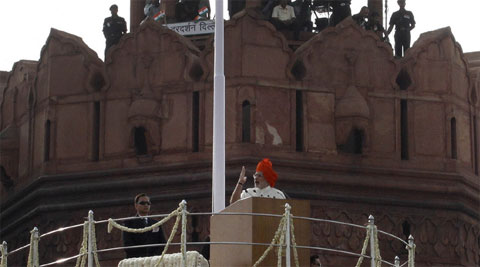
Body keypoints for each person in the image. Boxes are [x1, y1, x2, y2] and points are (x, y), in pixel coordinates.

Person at [123, 193, 167, 258]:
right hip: (135, 260)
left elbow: (162, 243)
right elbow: (127, 244)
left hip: (153, 260)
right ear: (136, 205)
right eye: (142, 203)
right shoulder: (128, 223)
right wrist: (141, 258)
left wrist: (153, 257)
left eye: (148, 203)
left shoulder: (156, 223)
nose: (146, 205)